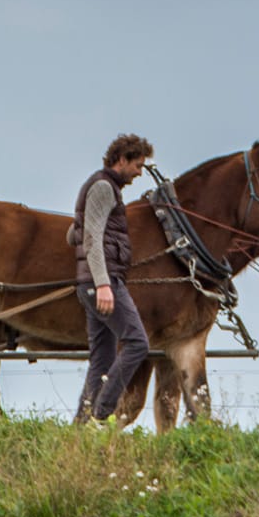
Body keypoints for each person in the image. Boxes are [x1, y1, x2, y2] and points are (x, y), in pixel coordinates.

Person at [71, 133, 152, 422]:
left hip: (93, 283)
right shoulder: (104, 188)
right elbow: (91, 238)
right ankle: (101, 414)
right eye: (138, 165)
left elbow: (75, 234)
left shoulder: (98, 185)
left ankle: (83, 426)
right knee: (138, 343)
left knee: (102, 357)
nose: (140, 172)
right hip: (102, 284)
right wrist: (103, 284)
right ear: (122, 159)